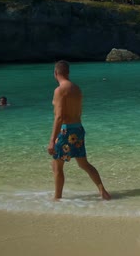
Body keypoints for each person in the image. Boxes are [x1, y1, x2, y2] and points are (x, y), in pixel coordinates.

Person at [47, 60, 111, 201]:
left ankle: (57, 199)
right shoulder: (76, 88)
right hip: (78, 128)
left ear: (55, 73)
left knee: (57, 166)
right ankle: (102, 191)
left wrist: (52, 140)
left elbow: (59, 117)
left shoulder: (59, 90)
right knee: (84, 164)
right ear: (68, 73)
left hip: (65, 131)